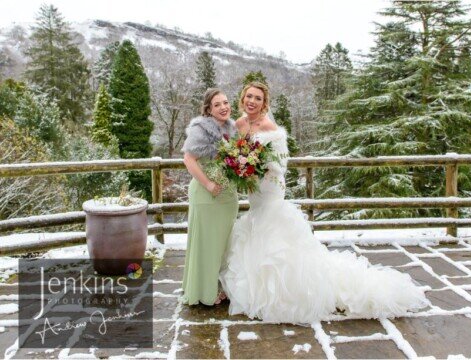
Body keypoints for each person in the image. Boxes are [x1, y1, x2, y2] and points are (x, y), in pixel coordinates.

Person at [220, 82, 429, 323]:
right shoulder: (239, 124)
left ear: (264, 103)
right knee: (253, 231)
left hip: (269, 189)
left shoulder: (271, 128)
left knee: (273, 236)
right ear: (242, 98)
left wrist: (254, 169)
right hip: (253, 192)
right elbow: (231, 150)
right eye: (248, 96)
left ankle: (280, 295)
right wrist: (238, 167)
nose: (252, 101)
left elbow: (280, 165)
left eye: (257, 98)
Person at [181, 88, 238, 306]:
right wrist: (208, 184)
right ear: (208, 109)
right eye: (217, 104)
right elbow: (189, 159)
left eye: (225, 102)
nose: (224, 107)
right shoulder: (201, 129)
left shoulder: (231, 128)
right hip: (207, 195)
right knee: (207, 244)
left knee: (223, 244)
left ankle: (219, 284)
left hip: (227, 197)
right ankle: (204, 291)